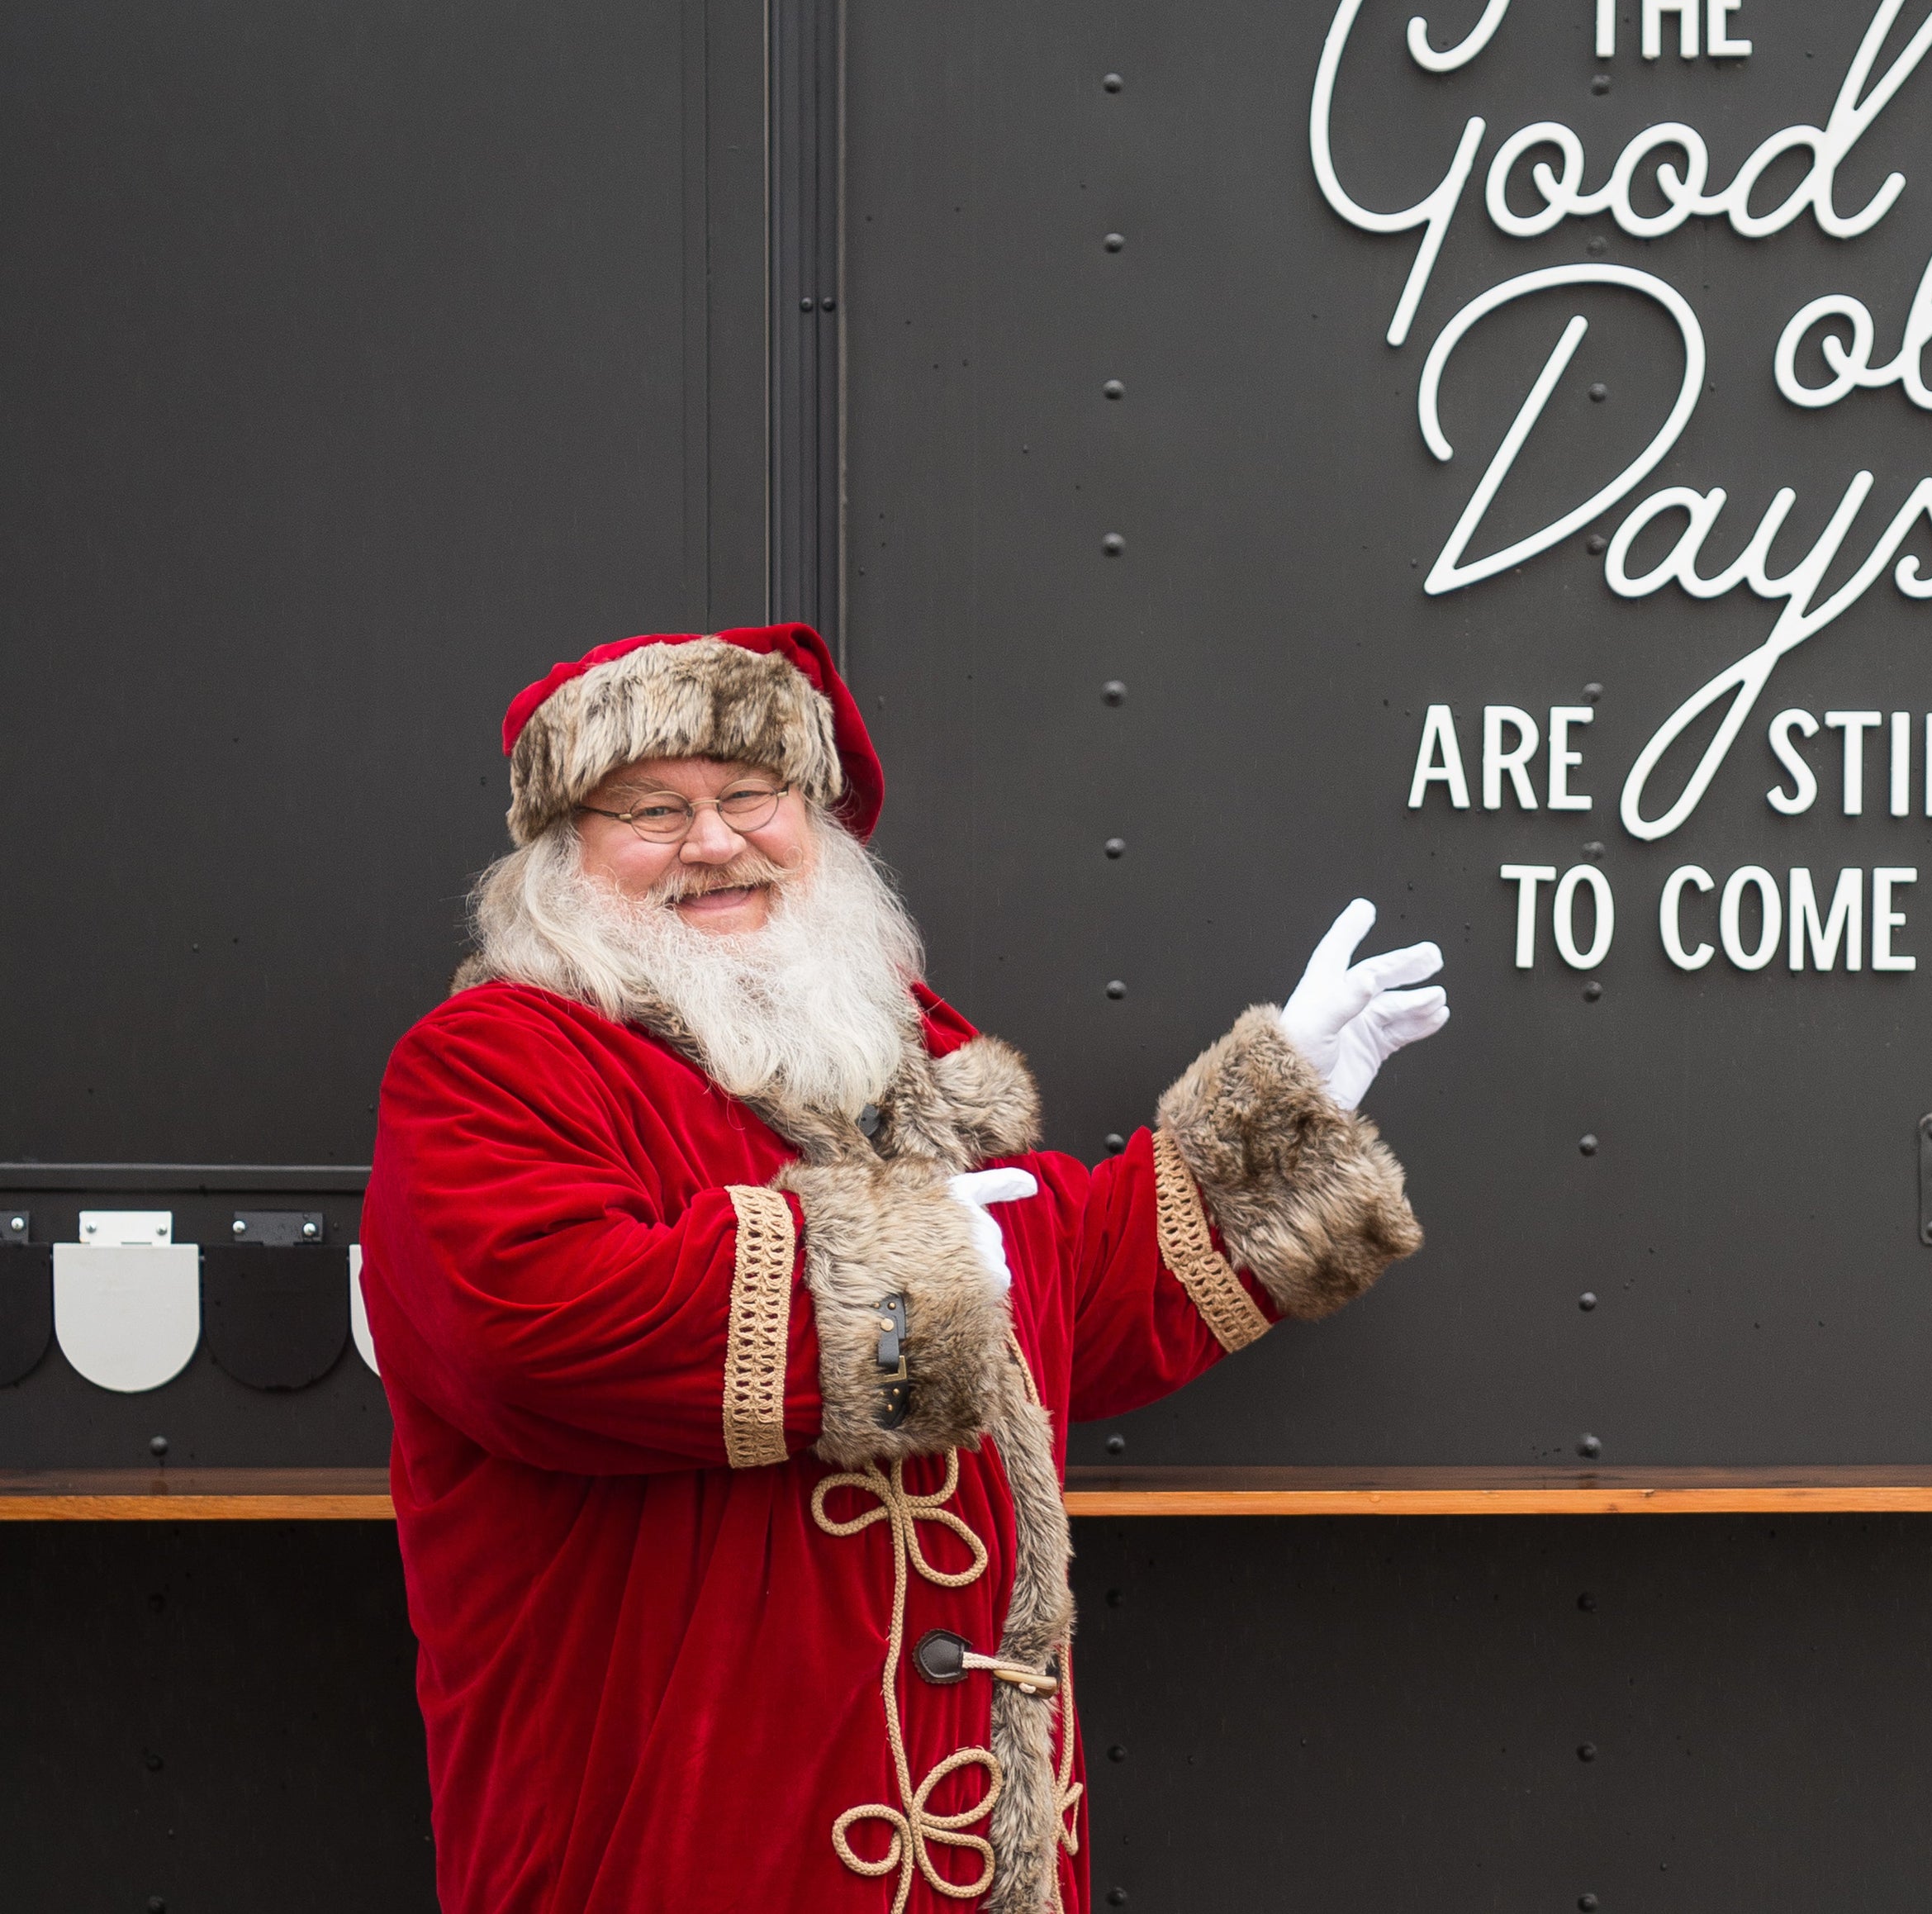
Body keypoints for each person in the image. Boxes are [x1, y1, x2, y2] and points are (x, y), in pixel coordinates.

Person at [361, 624, 1445, 1914]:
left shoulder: (894, 1062)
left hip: (965, 1846)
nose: (712, 841)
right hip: (688, 1845)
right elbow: (530, 1325)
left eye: (751, 794)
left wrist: (1279, 1119)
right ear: (564, 850)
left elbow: (1069, 1299)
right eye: (651, 809)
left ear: (813, 820)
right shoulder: (492, 1061)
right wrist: (895, 1280)